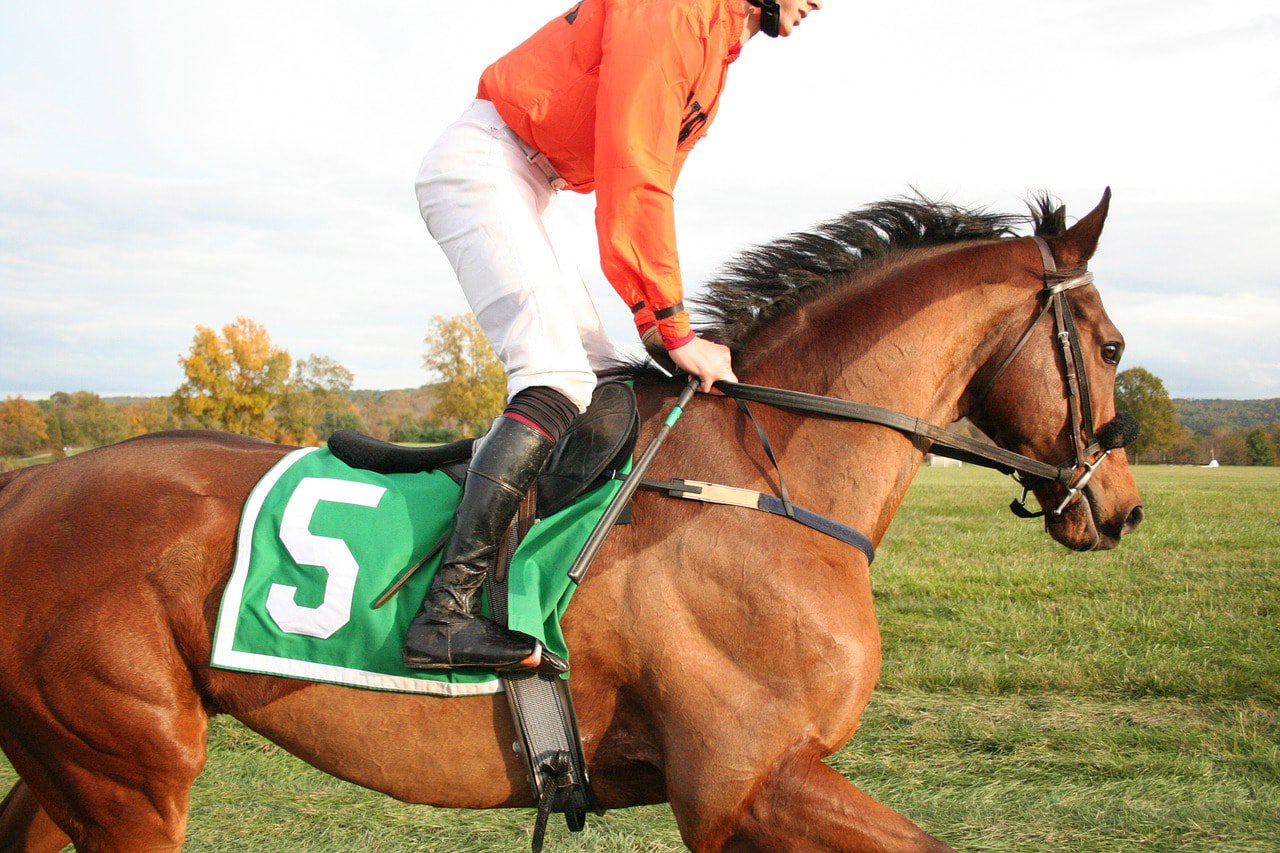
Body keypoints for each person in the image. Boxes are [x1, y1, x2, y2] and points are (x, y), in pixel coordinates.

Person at [405, 0, 823, 674]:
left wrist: (659, 326)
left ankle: (537, 575)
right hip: (486, 166)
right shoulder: (679, 12)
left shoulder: (716, 46)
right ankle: (443, 616)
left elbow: (648, 182)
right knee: (556, 378)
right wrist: (675, 326)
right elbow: (635, 176)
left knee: (605, 385)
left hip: (531, 182)